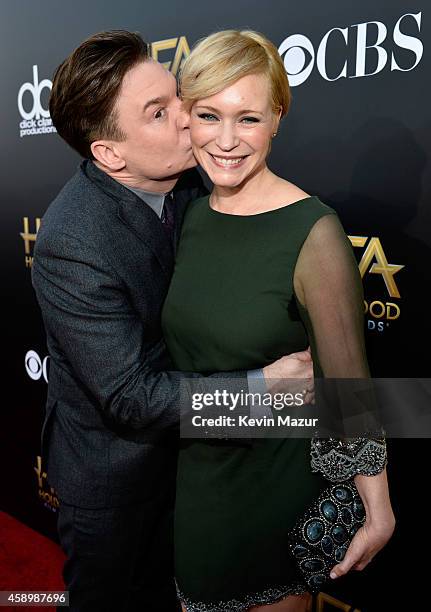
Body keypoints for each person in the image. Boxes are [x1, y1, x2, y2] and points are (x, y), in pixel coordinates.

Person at [31, 31, 314, 612]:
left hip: (205, 469)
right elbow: (131, 397)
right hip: (116, 485)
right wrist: (263, 392)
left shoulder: (201, 181)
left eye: (177, 97)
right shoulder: (72, 241)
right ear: (110, 153)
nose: (193, 120)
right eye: (159, 114)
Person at [161, 30, 396, 612]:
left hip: (273, 490)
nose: (225, 140)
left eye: (249, 118)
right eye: (209, 115)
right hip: (197, 484)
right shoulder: (189, 216)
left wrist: (379, 507)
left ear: (277, 118)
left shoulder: (312, 232)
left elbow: (346, 386)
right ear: (186, 115)